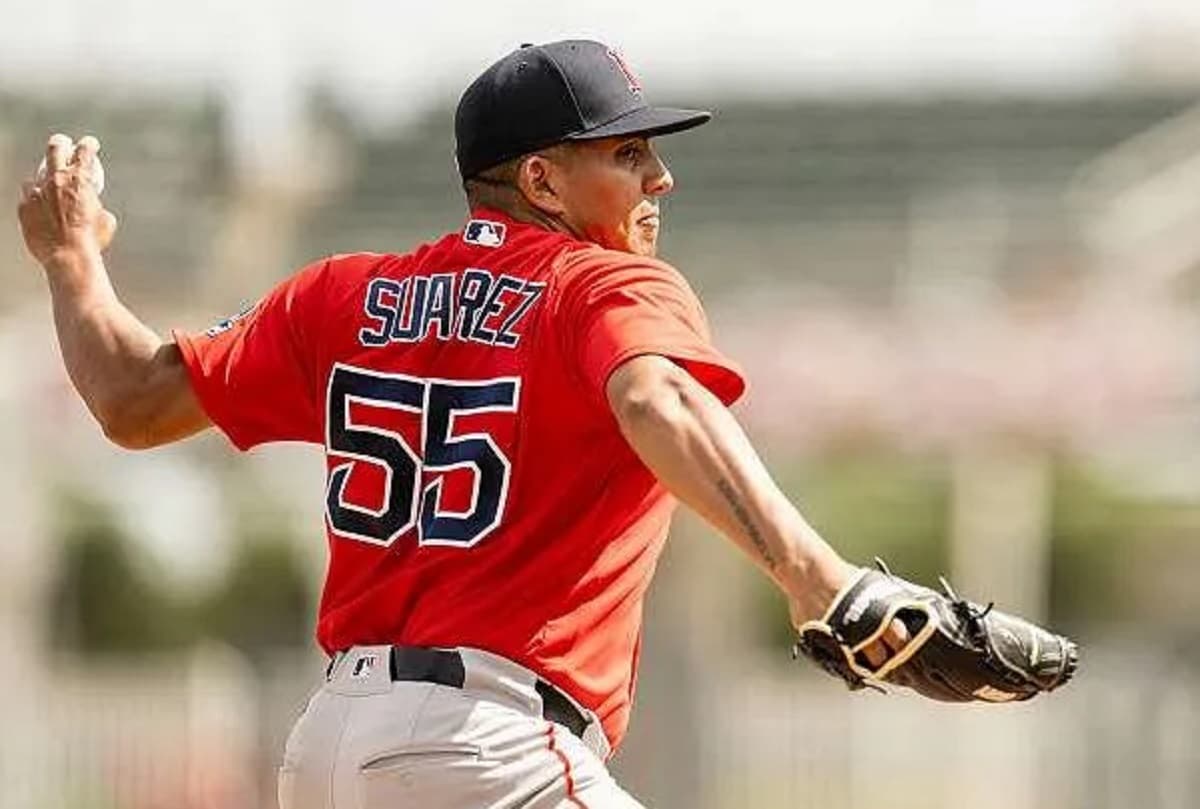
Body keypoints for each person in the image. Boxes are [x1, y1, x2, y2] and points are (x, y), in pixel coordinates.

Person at [17, 40, 1072, 809]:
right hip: (490, 748)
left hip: (330, 750)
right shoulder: (600, 285)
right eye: (624, 154)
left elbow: (130, 398)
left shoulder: (337, 295)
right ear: (541, 178)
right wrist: (822, 579)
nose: (659, 177)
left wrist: (72, 259)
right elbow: (655, 399)